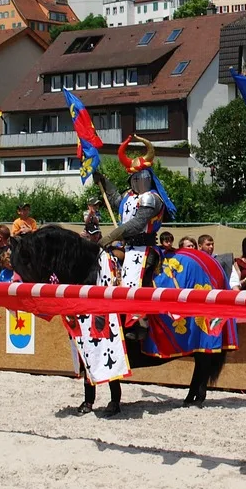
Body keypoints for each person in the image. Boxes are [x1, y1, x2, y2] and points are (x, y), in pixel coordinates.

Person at [93, 135, 176, 338]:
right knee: (105, 262)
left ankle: (141, 323)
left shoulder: (152, 199)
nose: (139, 181)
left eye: (142, 177)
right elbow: (115, 199)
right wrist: (103, 180)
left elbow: (137, 224)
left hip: (145, 248)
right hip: (127, 247)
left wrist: (111, 236)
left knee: (133, 278)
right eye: (135, 178)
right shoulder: (129, 197)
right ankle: (104, 312)